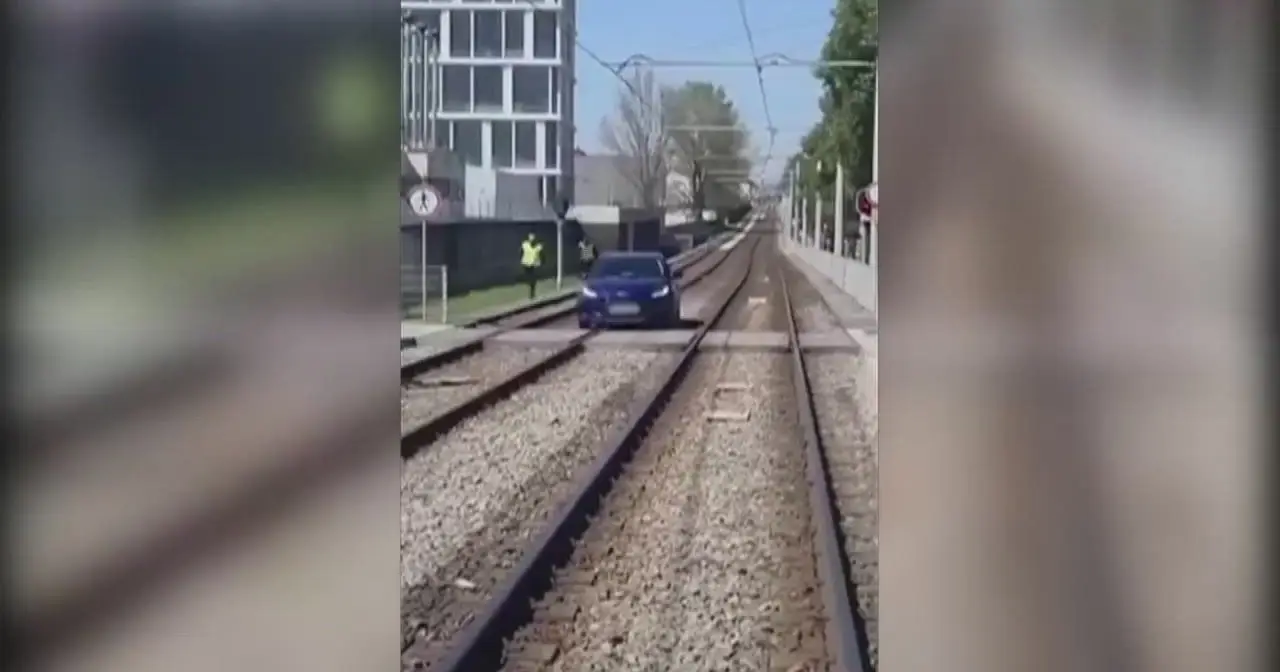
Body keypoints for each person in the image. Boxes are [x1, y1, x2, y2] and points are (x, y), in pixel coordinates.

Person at [520, 232, 543, 299]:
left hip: (533, 265)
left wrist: (540, 262)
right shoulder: (525, 244)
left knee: (532, 280)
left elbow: (541, 255)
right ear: (528, 238)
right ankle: (530, 291)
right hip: (526, 264)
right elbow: (521, 252)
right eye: (531, 238)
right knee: (529, 279)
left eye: (533, 238)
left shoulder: (538, 246)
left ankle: (532, 294)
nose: (532, 240)